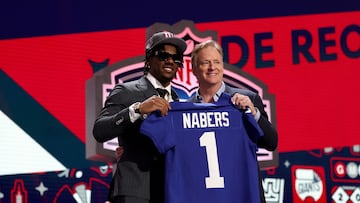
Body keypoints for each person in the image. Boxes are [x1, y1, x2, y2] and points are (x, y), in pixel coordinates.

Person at [92, 31, 187, 203]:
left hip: (169, 192)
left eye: (176, 57)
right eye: (163, 55)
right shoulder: (126, 90)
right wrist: (138, 109)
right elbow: (100, 130)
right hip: (134, 191)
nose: (170, 61)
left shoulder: (178, 101)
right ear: (149, 59)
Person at [188, 39, 278, 203]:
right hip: (205, 196)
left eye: (217, 62)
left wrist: (253, 112)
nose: (212, 67)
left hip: (243, 194)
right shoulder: (186, 109)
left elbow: (271, 142)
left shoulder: (248, 99)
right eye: (205, 62)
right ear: (194, 69)